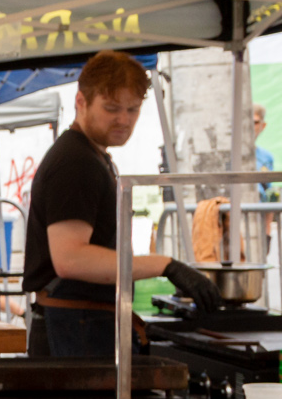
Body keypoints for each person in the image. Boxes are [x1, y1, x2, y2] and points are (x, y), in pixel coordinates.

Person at [22, 50, 219, 357]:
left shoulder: (93, 156)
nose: (124, 120)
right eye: (112, 108)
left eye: (133, 109)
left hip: (84, 324)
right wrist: (164, 265)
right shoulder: (75, 162)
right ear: (81, 102)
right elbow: (70, 258)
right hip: (73, 329)